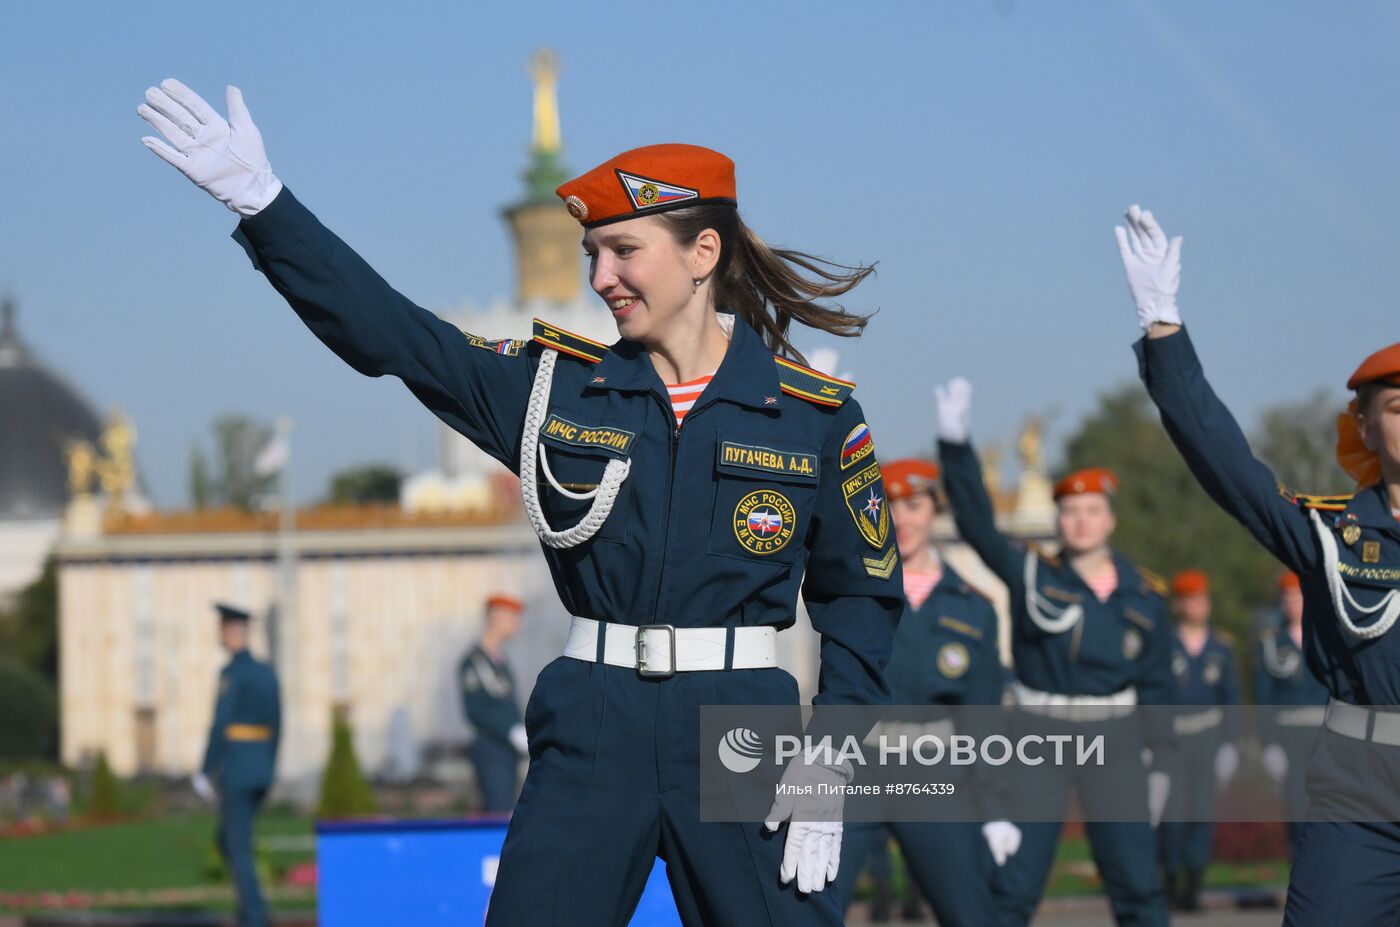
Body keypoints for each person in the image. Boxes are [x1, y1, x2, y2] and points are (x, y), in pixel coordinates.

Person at [139, 80, 901, 926]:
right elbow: (400, 337)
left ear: (702, 252)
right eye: (592, 256)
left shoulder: (812, 416)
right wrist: (265, 205)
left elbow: (863, 601)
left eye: (623, 250)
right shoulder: (554, 388)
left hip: (741, 732)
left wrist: (833, 757)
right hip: (593, 721)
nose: (601, 276)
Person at [1119, 202, 1400, 924]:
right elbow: (1227, 463)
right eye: (1399, 405)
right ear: (1365, 424)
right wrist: (1163, 324)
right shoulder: (1329, 532)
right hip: (1360, 787)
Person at [935, 386, 1175, 927]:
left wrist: (1161, 764)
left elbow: (1159, 686)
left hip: (1115, 739)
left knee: (1137, 884)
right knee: (1014, 883)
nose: (1080, 521)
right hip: (1039, 734)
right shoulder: (1031, 574)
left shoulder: (1145, 597)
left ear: (1111, 518)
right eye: (1069, 511)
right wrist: (955, 445)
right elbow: (976, 525)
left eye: (1092, 510)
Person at [831, 459, 1020, 926]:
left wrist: (993, 808)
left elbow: (982, 720)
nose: (900, 519)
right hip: (854, 767)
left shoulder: (972, 607)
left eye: (914, 505)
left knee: (971, 913)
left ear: (936, 510)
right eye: (887, 505)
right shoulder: (847, 589)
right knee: (807, 906)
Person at [1157, 569, 1240, 912]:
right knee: (1172, 816)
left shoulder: (1221, 647)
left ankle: (1193, 886)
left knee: (1201, 816)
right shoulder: (1163, 646)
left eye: (1201, 599)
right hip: (1172, 741)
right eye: (1190, 599)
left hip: (1207, 740)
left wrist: (1230, 745)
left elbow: (1230, 699)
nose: (1197, 606)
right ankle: (1171, 883)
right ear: (1178, 604)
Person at [194, 603, 281, 927]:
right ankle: (253, 908)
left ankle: (254, 916)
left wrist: (205, 770)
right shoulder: (266, 672)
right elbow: (277, 725)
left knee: (236, 844)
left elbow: (221, 724)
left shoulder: (231, 674)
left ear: (232, 633)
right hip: (260, 767)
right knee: (230, 839)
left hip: (238, 769)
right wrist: (270, 766)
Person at [1253, 571, 1328, 854]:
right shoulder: (1272, 643)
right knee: (1296, 805)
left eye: (1297, 597)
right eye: (1287, 598)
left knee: (1326, 804)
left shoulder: (1323, 635)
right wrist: (1269, 743)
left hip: (1323, 731)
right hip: (1289, 734)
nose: (1293, 603)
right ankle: (1298, 861)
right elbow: (1264, 697)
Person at [460, 594, 528, 813]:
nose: (516, 623)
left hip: (507, 751)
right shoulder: (474, 662)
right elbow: (476, 710)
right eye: (511, 617)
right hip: (491, 749)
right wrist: (510, 730)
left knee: (508, 811)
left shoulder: (500, 660)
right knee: (497, 812)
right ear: (495, 618)